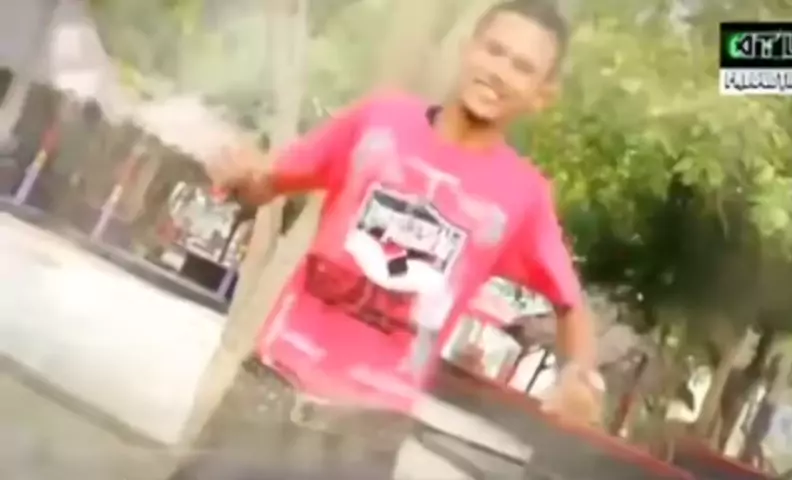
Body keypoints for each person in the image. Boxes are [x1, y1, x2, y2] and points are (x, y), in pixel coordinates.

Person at [170, 1, 602, 478]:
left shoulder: (522, 197)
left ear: (542, 95)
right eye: (494, 51)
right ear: (468, 49)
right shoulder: (380, 120)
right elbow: (269, 185)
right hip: (266, 393)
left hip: (361, 437)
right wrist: (241, 176)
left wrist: (577, 375)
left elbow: (571, 305)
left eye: (522, 67)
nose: (499, 71)